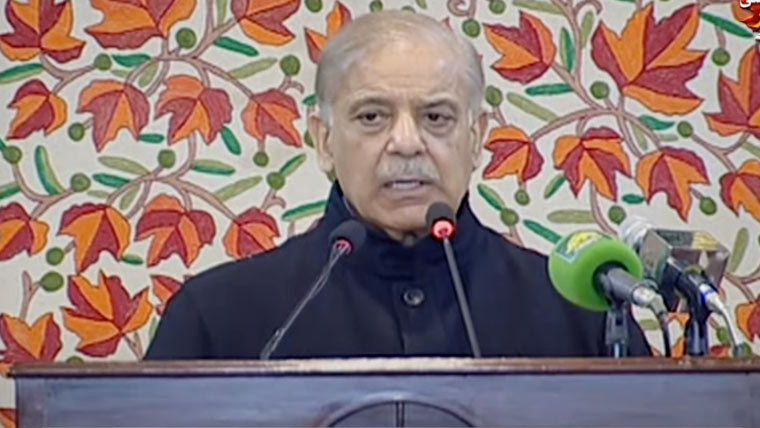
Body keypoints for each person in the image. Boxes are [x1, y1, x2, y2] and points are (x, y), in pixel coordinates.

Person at [145, 11, 649, 359]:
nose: (407, 143)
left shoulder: (584, 315)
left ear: (476, 138)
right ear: (324, 140)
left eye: (436, 116)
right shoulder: (215, 317)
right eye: (371, 116)